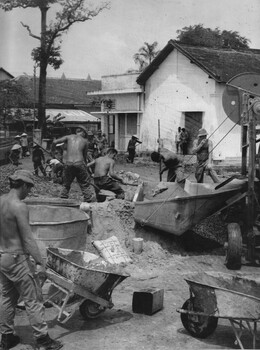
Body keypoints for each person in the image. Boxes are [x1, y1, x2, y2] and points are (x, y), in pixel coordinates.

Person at [0, 170, 62, 350]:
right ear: (24, 185)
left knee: (6, 298)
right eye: (30, 188)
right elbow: (27, 239)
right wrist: (41, 262)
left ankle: (6, 338)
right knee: (33, 298)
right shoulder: (19, 206)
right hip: (17, 258)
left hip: (2, 257)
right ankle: (43, 340)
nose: (29, 192)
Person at [52, 126, 94, 202]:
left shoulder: (68, 137)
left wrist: (52, 154)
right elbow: (84, 157)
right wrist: (86, 168)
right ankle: (88, 200)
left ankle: (63, 198)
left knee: (66, 183)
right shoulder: (85, 141)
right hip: (79, 163)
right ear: (83, 133)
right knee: (84, 183)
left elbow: (55, 142)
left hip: (68, 163)